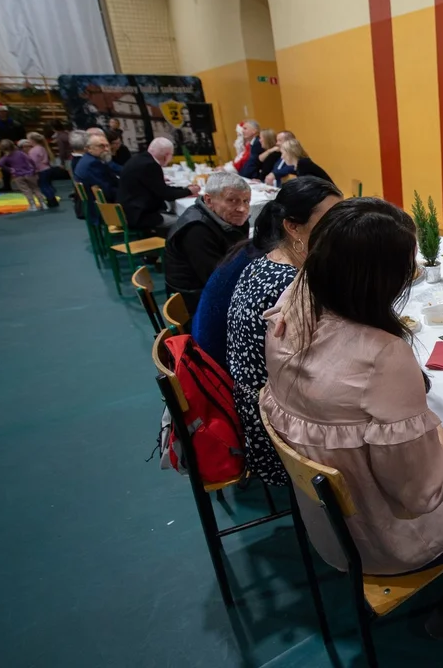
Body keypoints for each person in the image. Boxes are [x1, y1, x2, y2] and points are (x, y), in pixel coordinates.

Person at [261, 196, 443, 650]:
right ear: (377, 277)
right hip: (382, 535)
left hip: (324, 520)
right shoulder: (382, 354)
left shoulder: (291, 304)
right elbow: (420, 491)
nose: (410, 275)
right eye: (405, 266)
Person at [226, 177, 343, 485]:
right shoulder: (287, 285)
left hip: (261, 406)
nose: (340, 227)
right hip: (277, 427)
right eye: (330, 219)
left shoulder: (266, 263)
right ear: (293, 226)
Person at [165, 173, 251, 313]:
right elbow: (219, 280)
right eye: (232, 200)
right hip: (195, 303)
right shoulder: (196, 230)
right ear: (209, 200)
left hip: (209, 291)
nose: (242, 208)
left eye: (246, 201)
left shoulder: (228, 219)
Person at [118, 137, 199, 236]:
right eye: (172, 155)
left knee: (175, 211)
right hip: (139, 216)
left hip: (128, 212)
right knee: (187, 220)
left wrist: (185, 189)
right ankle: (178, 248)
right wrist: (189, 191)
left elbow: (160, 188)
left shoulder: (139, 159)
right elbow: (166, 194)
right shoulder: (150, 165)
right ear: (167, 155)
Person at [0, 140, 45, 211]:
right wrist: (33, 168)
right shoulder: (20, 153)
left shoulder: (6, 157)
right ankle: (43, 203)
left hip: (18, 175)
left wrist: (9, 169)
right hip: (29, 173)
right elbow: (30, 160)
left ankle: (33, 205)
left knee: (26, 190)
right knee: (35, 188)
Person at [74, 133, 121, 203]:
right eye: (101, 146)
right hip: (99, 207)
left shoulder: (88, 159)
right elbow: (107, 191)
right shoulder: (93, 164)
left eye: (107, 145)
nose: (106, 149)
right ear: (89, 148)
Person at [0, 104, 26, 192]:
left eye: (4, 111)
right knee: (4, 167)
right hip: (4, 148)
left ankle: (24, 184)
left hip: (15, 147)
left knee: (19, 165)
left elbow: (22, 134)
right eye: (0, 112)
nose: (2, 113)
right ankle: (6, 185)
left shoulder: (15, 123)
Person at [25, 133, 59, 208]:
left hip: (41, 170)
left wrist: (33, 171)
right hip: (47, 169)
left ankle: (50, 201)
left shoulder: (33, 151)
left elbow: (33, 163)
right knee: (48, 185)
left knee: (44, 186)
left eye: (28, 139)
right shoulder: (42, 147)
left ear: (32, 140)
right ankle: (53, 200)